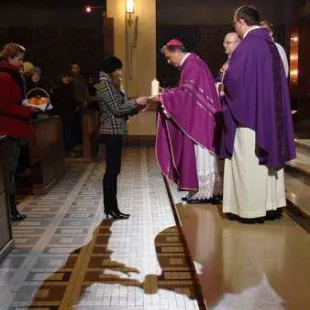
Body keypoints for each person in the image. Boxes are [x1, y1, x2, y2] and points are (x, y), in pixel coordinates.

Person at [220, 5, 296, 223]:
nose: (235, 27)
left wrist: (225, 81)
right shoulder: (271, 46)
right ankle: (271, 205)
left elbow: (235, 82)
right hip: (271, 115)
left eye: (235, 23)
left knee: (249, 163)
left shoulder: (247, 47)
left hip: (250, 117)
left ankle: (250, 210)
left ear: (242, 22)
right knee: (268, 167)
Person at [155, 39, 222, 203]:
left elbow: (187, 94)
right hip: (200, 115)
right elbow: (186, 92)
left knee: (202, 154)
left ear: (177, 51)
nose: (169, 62)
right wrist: (169, 94)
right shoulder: (191, 64)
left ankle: (204, 193)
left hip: (201, 118)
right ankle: (200, 192)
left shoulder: (192, 65)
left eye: (169, 57)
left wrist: (164, 97)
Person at [95, 56, 147, 219]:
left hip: (116, 131)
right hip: (111, 132)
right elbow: (117, 109)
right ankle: (110, 208)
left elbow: (121, 109)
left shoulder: (111, 84)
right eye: (118, 69)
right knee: (111, 171)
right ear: (111, 70)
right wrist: (136, 102)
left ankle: (113, 207)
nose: (120, 72)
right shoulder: (105, 85)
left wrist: (137, 107)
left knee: (114, 170)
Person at [0, 43, 38, 221]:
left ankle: (11, 208)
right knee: (7, 171)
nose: (22, 63)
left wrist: (29, 105)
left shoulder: (14, 76)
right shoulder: (4, 77)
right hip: (8, 128)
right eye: (19, 59)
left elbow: (16, 100)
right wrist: (27, 110)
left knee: (11, 170)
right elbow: (3, 106)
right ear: (9, 58)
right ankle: (9, 209)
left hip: (14, 127)